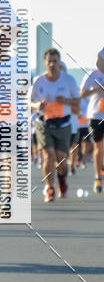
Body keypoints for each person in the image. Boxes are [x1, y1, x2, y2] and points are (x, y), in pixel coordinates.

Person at [31, 49, 80, 202]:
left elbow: (77, 102)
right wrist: (37, 105)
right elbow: (30, 101)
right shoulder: (39, 81)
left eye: (55, 61)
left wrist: (65, 101)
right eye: (49, 61)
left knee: (61, 159)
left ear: (59, 63)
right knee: (48, 156)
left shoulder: (69, 80)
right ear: (45, 63)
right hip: (44, 123)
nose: (52, 64)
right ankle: (50, 187)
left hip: (63, 123)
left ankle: (62, 179)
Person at [79, 59, 104, 193]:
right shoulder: (92, 75)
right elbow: (82, 93)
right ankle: (98, 177)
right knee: (98, 147)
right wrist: (98, 88)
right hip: (96, 115)